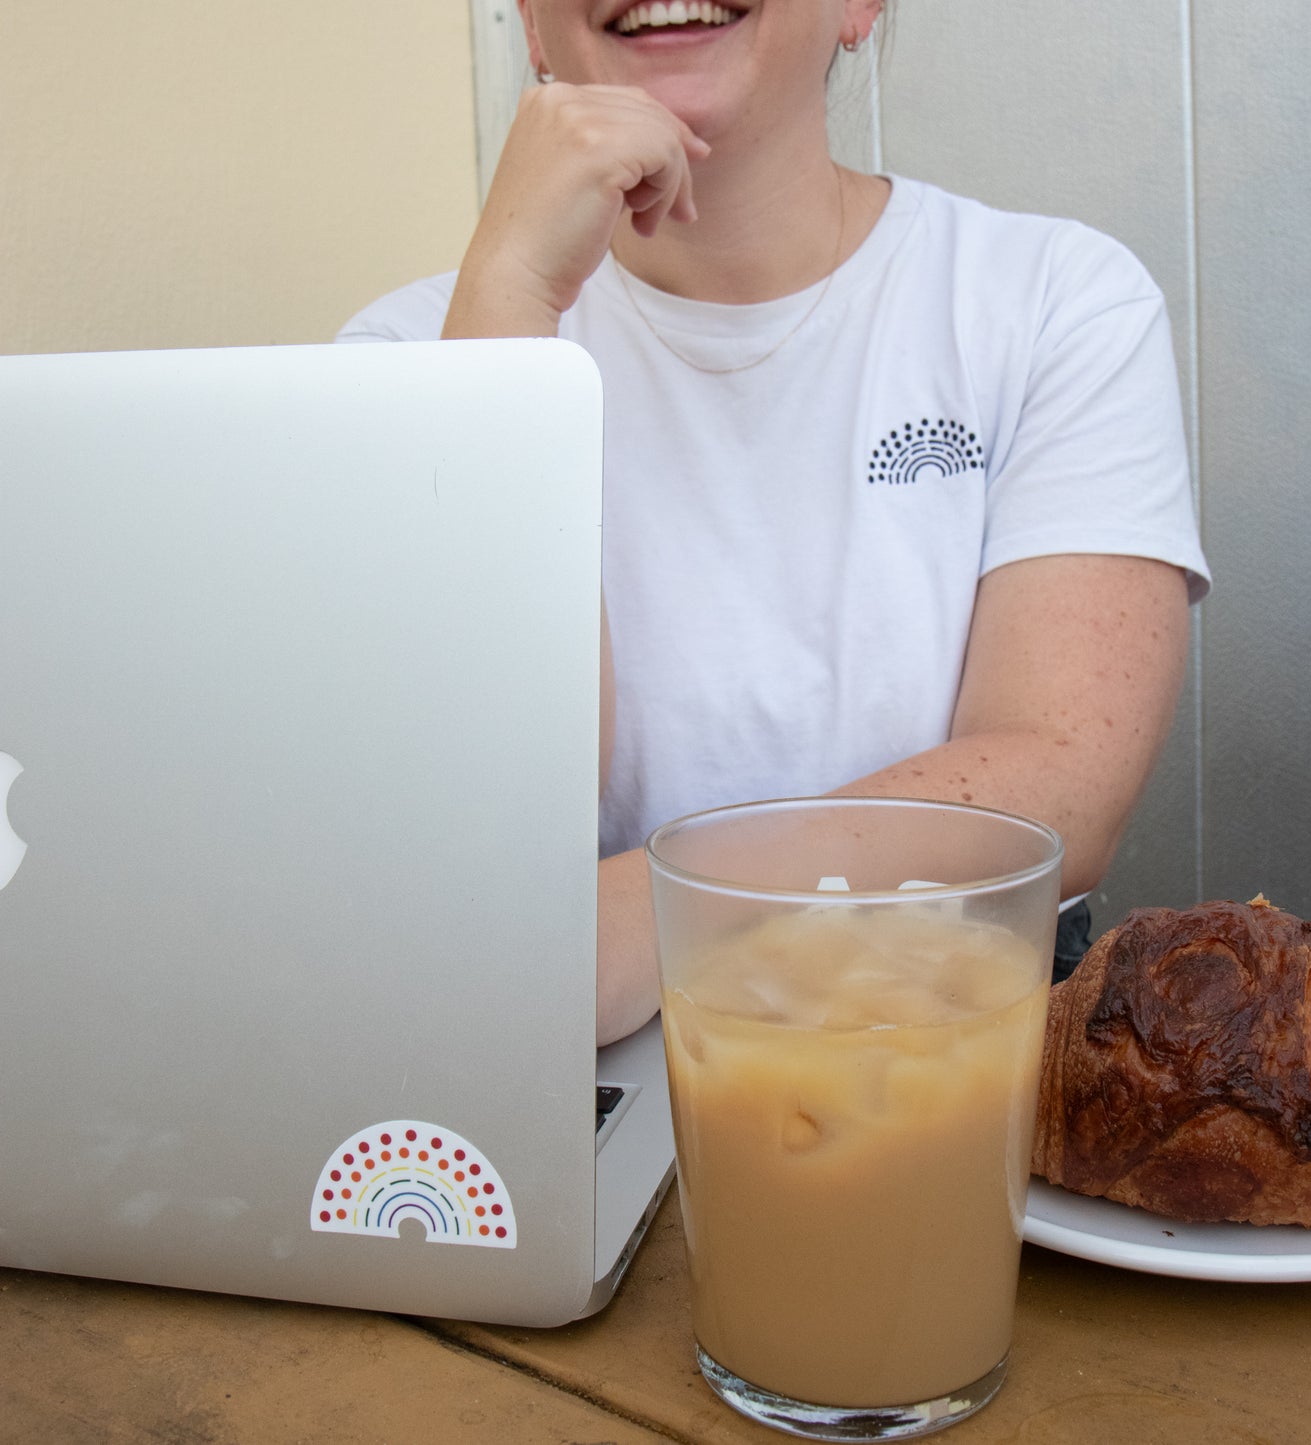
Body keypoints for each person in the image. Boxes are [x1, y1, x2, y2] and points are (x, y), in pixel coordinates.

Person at [338, 0, 1211, 1044]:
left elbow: (1064, 779)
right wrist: (511, 302)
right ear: (530, 23)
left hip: (951, 1031)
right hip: (563, 1051)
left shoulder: (1054, 302)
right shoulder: (412, 356)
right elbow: (472, 817)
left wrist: (660, 916)